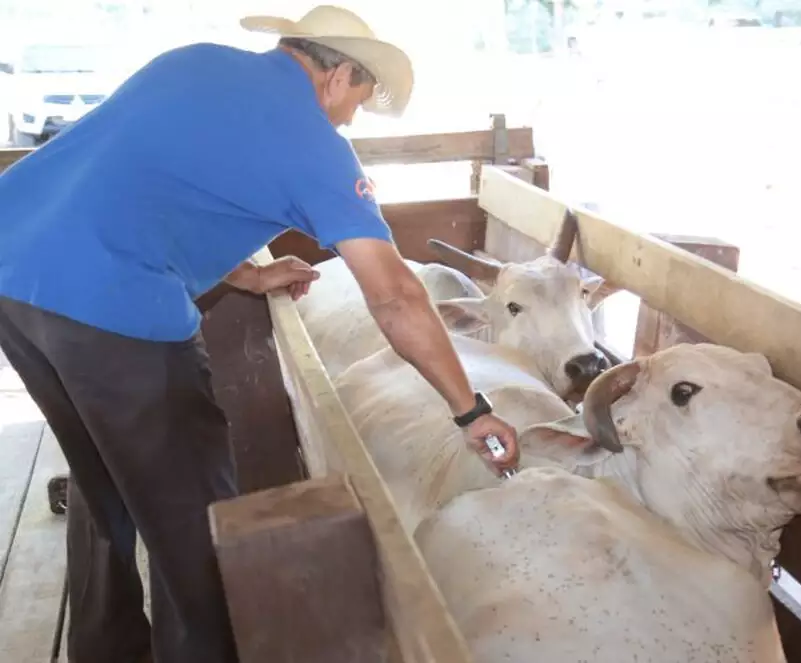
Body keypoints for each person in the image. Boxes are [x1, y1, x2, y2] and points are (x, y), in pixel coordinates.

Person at [0, 6, 520, 663]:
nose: (352, 118)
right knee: (193, 519)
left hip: (13, 270)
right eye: (360, 98)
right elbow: (394, 294)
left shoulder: (194, 62)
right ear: (340, 75)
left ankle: (103, 649)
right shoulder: (315, 144)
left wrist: (247, 274)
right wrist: (469, 408)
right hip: (113, 304)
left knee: (100, 481)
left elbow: (139, 184)